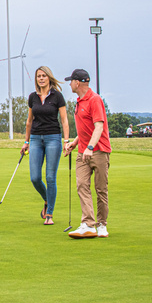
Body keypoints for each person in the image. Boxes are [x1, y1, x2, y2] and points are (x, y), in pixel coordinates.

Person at [63, 69, 112, 238]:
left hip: (99, 151)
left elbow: (98, 127)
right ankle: (88, 224)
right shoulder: (78, 102)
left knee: (101, 189)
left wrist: (90, 148)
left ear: (78, 82)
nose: (69, 84)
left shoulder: (95, 100)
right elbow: (85, 129)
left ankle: (102, 224)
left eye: (71, 81)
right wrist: (75, 143)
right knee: (82, 186)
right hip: (83, 151)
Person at [20, 66, 69, 226]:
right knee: (35, 178)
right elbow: (29, 121)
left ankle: (49, 214)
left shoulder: (57, 97)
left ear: (49, 78)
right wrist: (26, 142)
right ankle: (47, 199)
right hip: (35, 139)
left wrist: (66, 141)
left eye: (43, 76)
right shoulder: (32, 97)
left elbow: (64, 120)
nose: (41, 78)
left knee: (50, 177)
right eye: (38, 76)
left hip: (53, 138)